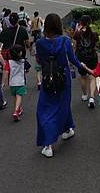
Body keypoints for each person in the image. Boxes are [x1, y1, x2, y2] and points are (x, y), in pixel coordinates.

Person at [35, 13, 86, 158]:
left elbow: (39, 60)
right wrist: (81, 67)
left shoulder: (40, 42)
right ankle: (64, 132)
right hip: (64, 78)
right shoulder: (65, 40)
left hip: (48, 78)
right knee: (62, 105)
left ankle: (48, 144)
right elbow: (73, 58)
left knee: (45, 110)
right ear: (59, 25)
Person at [73, 15, 99, 108]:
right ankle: (92, 97)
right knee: (92, 77)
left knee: (83, 77)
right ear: (90, 23)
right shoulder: (94, 34)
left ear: (81, 23)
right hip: (92, 58)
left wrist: (73, 59)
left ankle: (84, 95)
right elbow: (96, 47)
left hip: (81, 58)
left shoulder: (77, 34)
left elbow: (74, 47)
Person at [3, 44, 26, 122]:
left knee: (14, 96)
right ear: (20, 53)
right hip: (20, 82)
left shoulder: (9, 62)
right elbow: (27, 70)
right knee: (19, 96)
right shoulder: (23, 61)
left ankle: (18, 109)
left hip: (12, 83)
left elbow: (6, 72)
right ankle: (16, 111)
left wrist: (4, 82)